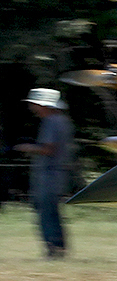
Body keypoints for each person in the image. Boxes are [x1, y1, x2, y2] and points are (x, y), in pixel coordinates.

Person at [17, 88, 73, 259]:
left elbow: (48, 149)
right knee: (53, 212)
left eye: (34, 104)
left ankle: (52, 249)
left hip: (48, 175)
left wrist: (27, 148)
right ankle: (59, 247)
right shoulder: (63, 121)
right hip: (59, 174)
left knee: (46, 213)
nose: (32, 107)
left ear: (43, 105)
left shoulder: (50, 121)